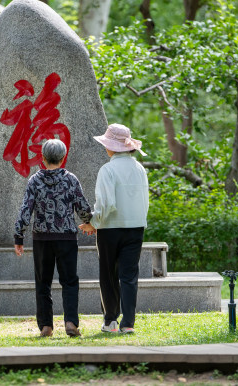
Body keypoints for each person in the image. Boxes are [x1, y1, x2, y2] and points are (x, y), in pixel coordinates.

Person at [14, 139, 93, 338]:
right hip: (66, 238)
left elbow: (26, 210)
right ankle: (71, 323)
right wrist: (91, 223)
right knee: (69, 281)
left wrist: (19, 236)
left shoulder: (35, 181)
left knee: (43, 282)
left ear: (43, 157)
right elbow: (82, 206)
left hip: (42, 238)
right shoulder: (71, 179)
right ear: (63, 157)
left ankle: (46, 326)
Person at [79, 123, 149, 335]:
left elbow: (106, 204)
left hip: (110, 229)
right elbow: (145, 201)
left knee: (108, 275)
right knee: (129, 276)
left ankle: (111, 321)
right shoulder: (140, 169)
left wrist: (94, 223)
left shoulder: (107, 170)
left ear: (112, 147)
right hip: (135, 227)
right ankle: (128, 323)